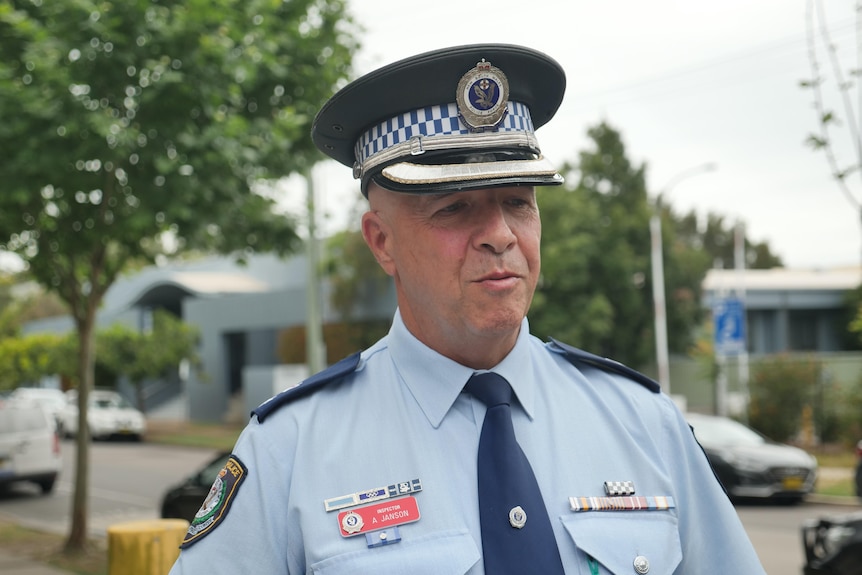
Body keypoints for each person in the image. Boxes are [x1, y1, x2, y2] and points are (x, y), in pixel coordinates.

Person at [169, 44, 766, 574]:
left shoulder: (644, 424)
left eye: (517, 201)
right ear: (382, 241)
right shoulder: (291, 448)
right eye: (454, 209)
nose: (500, 234)